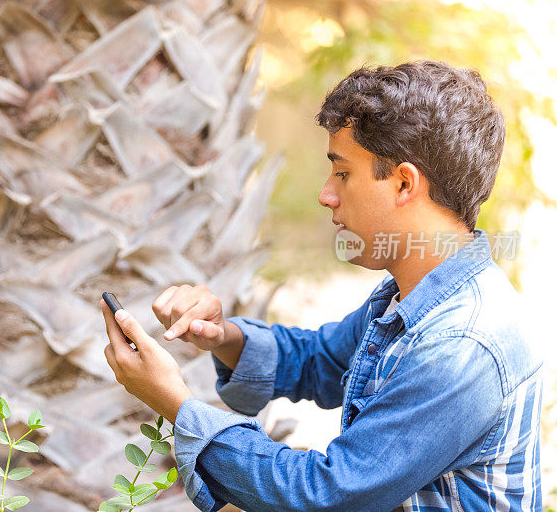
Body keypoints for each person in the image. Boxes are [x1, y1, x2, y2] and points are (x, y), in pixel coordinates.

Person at [99, 60, 542, 511]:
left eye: (343, 173)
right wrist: (221, 335)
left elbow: (325, 496)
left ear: (405, 182)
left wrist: (177, 405)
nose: (326, 193)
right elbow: (316, 361)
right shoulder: (411, 298)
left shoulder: (462, 343)